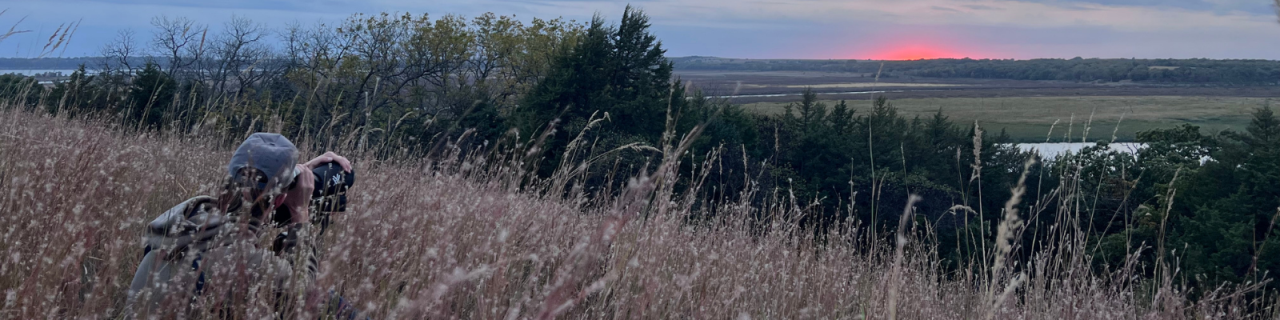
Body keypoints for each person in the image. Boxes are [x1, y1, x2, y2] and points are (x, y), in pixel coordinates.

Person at [125, 133, 356, 318]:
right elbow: (303, 296)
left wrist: (290, 176)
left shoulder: (184, 218)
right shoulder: (246, 263)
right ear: (278, 200)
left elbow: (238, 227)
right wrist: (300, 212)